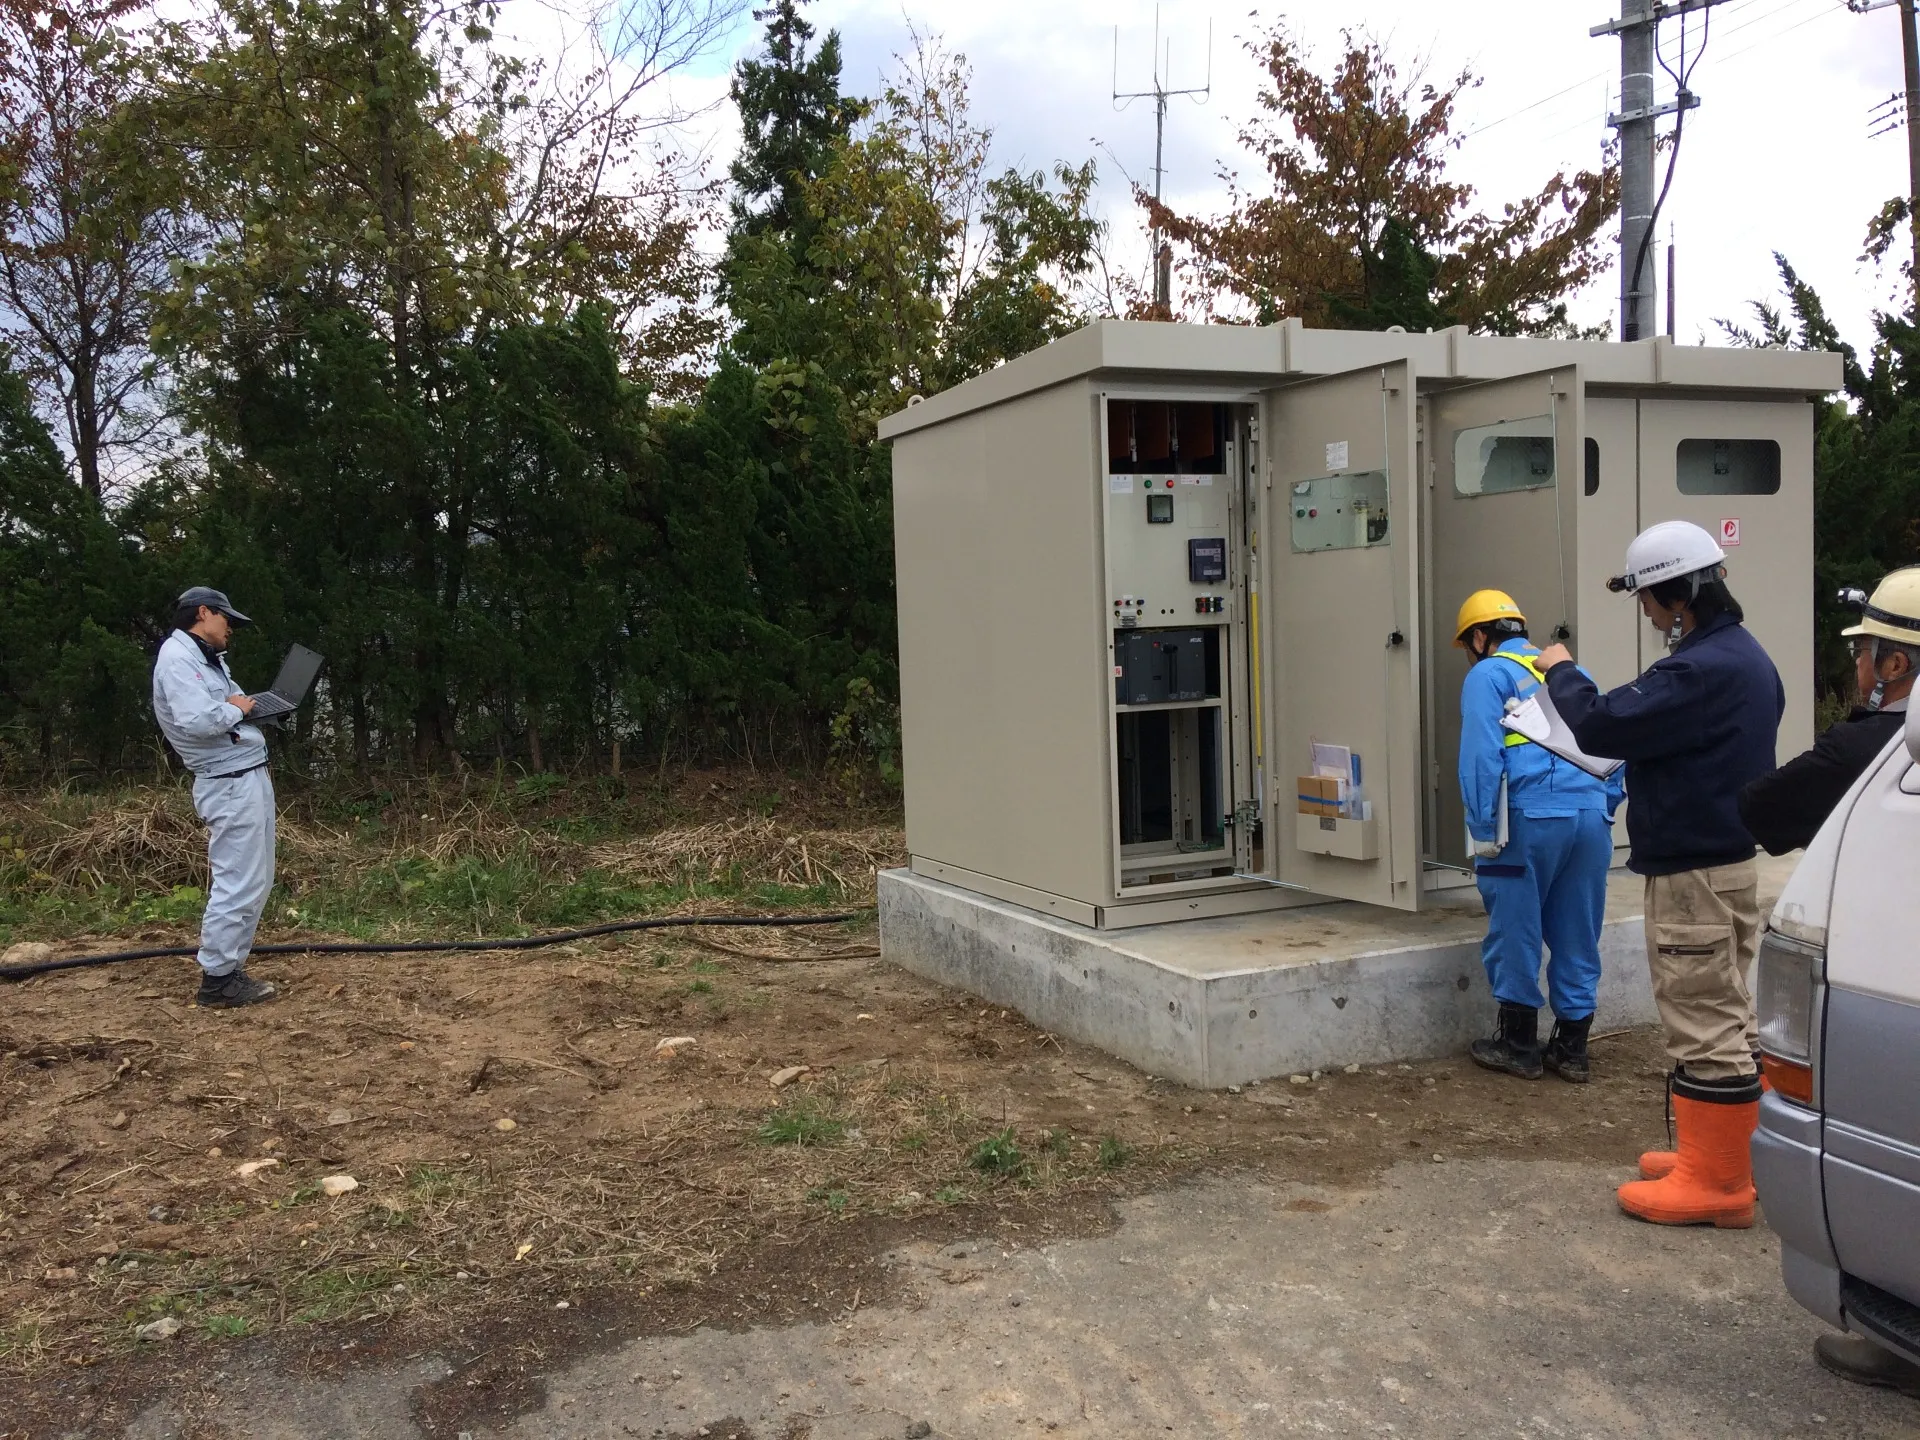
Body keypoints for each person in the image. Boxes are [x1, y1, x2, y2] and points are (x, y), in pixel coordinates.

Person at [1537, 520, 1782, 1229]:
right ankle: (1723, 1158)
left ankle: (1718, 1182)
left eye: (1647, 599)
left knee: (1702, 1018)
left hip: (1694, 872)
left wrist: (1560, 668)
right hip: (1727, 863)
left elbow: (1602, 725)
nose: (1647, 613)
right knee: (1726, 1010)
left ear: (1679, 595)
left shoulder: (1697, 671)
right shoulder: (1746, 659)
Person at [1454, 589, 1623, 1083]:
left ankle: (1519, 1043)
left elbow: (1482, 757)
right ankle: (1571, 1050)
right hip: (1590, 819)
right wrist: (1603, 808)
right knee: (1577, 930)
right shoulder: (1573, 672)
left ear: (1481, 638)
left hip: (1529, 821)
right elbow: (1613, 743)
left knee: (1516, 926)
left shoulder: (1487, 674)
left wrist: (1484, 829)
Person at [150, 587, 280, 1008]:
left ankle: (230, 969)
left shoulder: (206, 659)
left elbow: (228, 701)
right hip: (228, 782)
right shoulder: (177, 659)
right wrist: (239, 709)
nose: (231, 630)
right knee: (237, 881)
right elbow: (199, 719)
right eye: (227, 620)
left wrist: (243, 706)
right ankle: (218, 980)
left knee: (255, 879)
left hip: (245, 775)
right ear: (203, 613)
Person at [1740, 567, 1919, 855]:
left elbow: (1758, 805)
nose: (1857, 662)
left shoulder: (1854, 748)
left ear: (1895, 665)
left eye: (1861, 649)